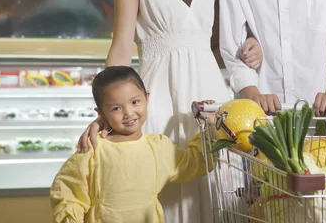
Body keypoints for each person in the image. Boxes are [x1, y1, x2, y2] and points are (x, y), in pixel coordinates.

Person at [76, 0, 263, 223]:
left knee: (215, 184)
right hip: (156, 95)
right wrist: (106, 114)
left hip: (210, 98)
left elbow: (224, 47)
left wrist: (252, 47)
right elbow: (119, 51)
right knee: (160, 186)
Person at [51, 66, 215, 223]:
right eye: (116, 108)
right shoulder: (92, 148)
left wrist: (212, 127)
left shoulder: (158, 147)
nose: (128, 113)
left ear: (147, 98)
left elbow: (193, 163)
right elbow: (68, 192)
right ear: (101, 113)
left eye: (135, 102)